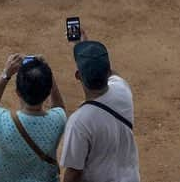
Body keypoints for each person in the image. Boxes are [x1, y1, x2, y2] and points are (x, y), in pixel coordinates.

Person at [59, 38, 140, 182]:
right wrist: (91, 52)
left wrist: (85, 52)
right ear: (108, 71)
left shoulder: (79, 122)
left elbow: (73, 173)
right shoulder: (122, 91)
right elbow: (113, 75)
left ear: (78, 76)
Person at [0, 53, 67, 182]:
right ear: (47, 92)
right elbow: (58, 106)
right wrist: (47, 73)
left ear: (18, 92)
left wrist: (6, 74)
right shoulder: (58, 120)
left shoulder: (3, 121)